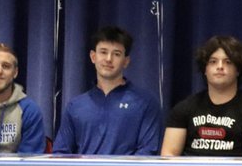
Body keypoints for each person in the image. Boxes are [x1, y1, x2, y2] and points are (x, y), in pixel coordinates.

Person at [52, 26, 161, 155]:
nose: (109, 59)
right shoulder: (75, 106)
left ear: (126, 61)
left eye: (116, 54)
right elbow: (61, 153)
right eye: (103, 52)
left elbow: (148, 152)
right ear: (93, 57)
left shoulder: (146, 103)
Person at [160, 36, 242, 157]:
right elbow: (168, 155)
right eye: (213, 61)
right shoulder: (183, 109)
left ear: (238, 70)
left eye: (228, 62)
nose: (220, 67)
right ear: (205, 69)